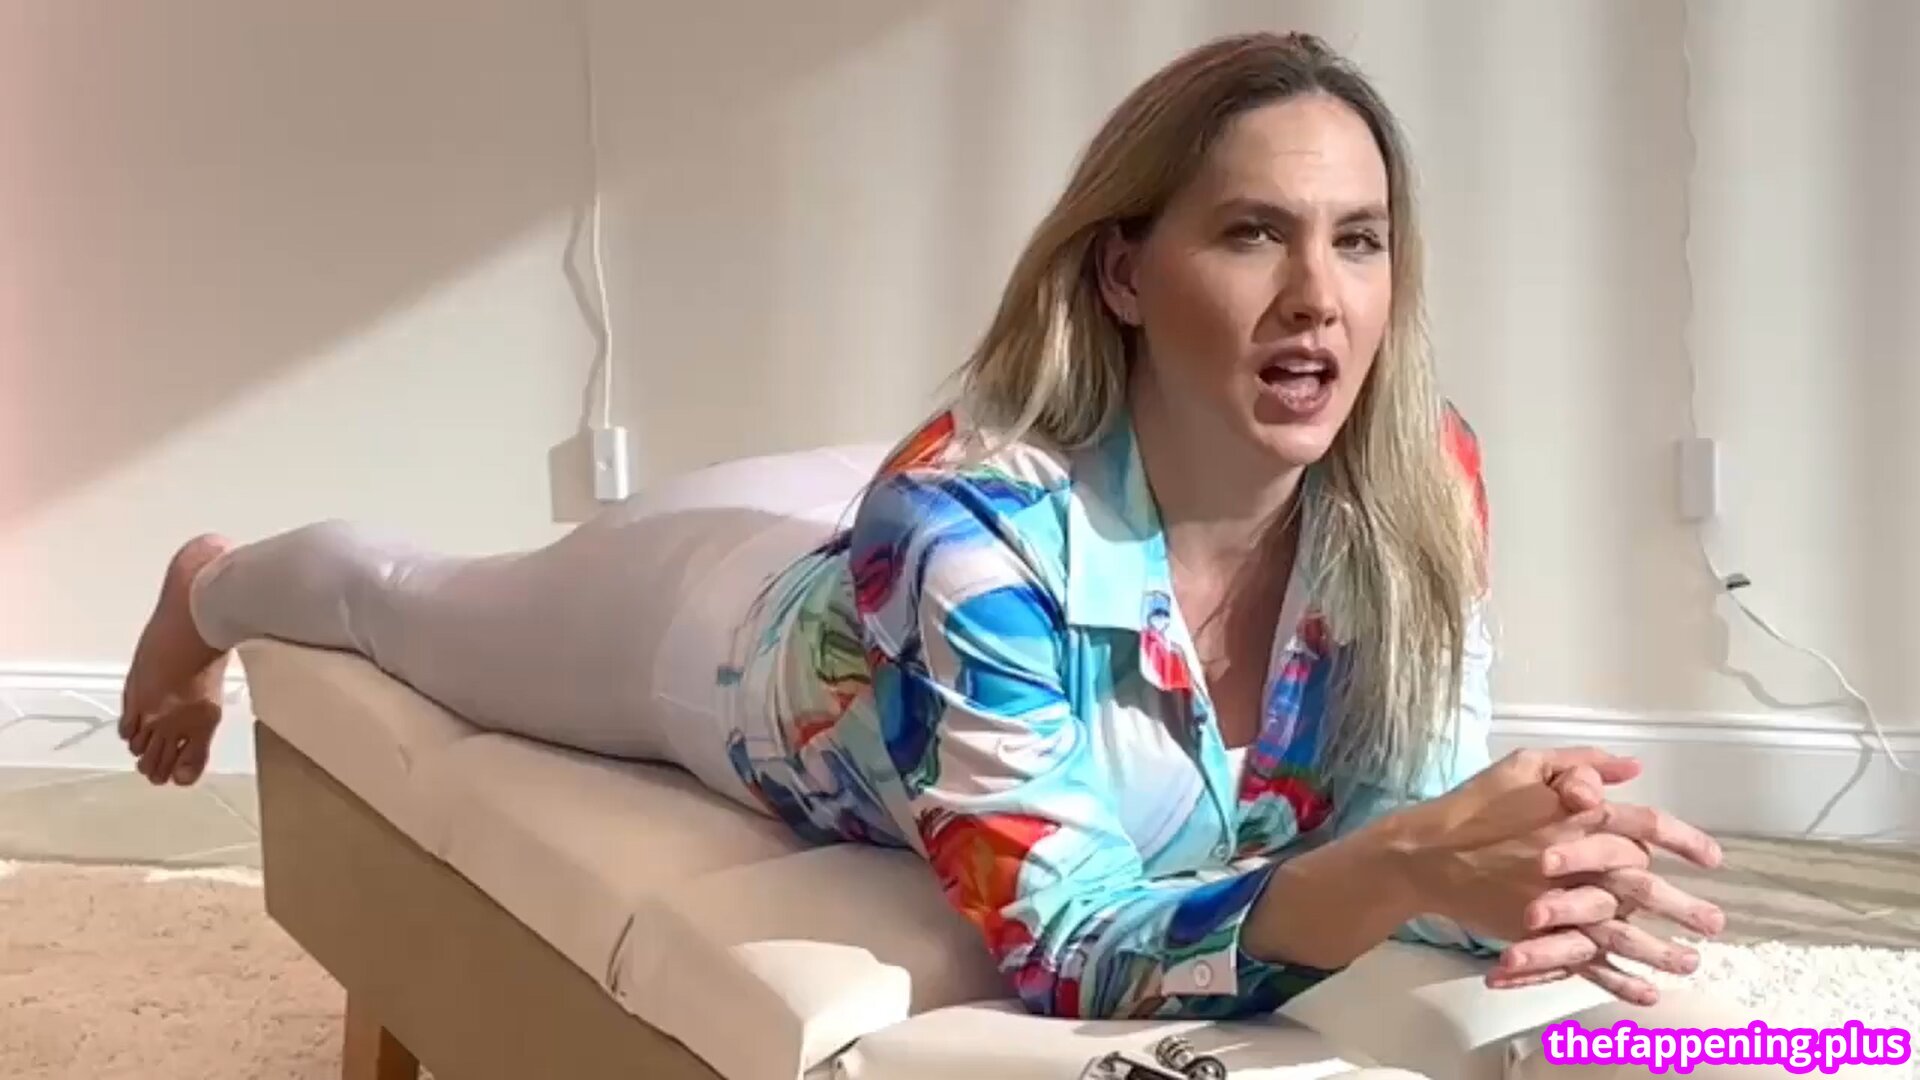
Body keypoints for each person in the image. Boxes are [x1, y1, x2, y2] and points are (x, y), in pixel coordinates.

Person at [123, 30, 1732, 1041]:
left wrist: (1521, 863)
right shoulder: (964, 532)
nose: (1321, 294)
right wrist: (1394, 867)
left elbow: (1401, 820)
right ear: (1124, 271)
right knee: (413, 604)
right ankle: (210, 587)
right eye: (1255, 233)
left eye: (1360, 241)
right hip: (728, 635)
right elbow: (1072, 944)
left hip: (980, 520)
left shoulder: (1421, 484)